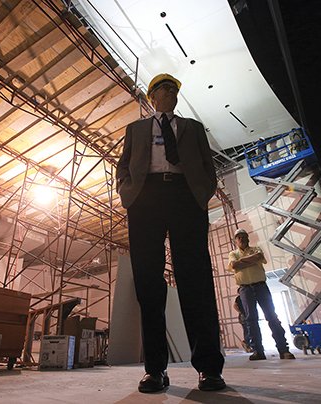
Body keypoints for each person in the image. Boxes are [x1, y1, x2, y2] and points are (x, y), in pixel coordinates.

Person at [116, 73, 225, 393]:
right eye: (164, 88)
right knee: (149, 283)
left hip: (185, 198)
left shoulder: (192, 128)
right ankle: (155, 370)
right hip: (145, 200)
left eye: (174, 89)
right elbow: (123, 165)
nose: (170, 92)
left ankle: (209, 368)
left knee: (196, 279)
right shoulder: (135, 130)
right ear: (151, 97)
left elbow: (208, 165)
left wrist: (201, 193)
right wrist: (128, 192)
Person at [227, 229, 295, 360]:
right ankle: (258, 351)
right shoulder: (233, 254)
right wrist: (250, 261)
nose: (241, 239)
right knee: (251, 320)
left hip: (261, 287)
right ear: (235, 241)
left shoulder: (256, 249)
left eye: (243, 236)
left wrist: (242, 262)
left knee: (271, 316)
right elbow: (234, 265)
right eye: (238, 237)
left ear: (248, 238)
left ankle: (283, 349)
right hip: (245, 289)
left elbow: (258, 257)